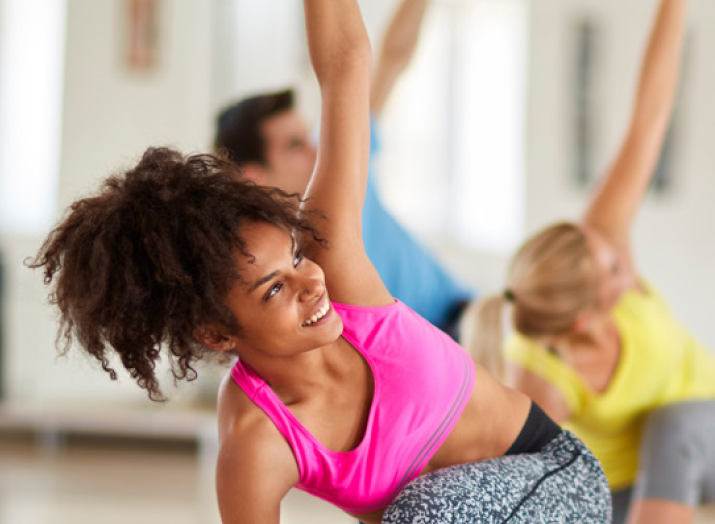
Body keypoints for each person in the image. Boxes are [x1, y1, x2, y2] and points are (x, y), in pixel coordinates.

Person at [30, 0, 610, 522]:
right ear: (215, 330)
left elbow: (346, 64)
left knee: (423, 511)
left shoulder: (341, 274)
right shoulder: (258, 440)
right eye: (273, 290)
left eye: (295, 258)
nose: (310, 282)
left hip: (558, 478)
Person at [463, 1, 715, 523]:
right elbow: (528, 484)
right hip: (629, 493)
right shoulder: (541, 379)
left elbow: (649, 118)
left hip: (707, 429)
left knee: (676, 425)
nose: (624, 258)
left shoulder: (598, 239)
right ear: (584, 317)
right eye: (616, 270)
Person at [214, 0, 472, 337]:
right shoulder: (281, 263)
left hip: (464, 312)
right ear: (254, 177)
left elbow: (392, 60)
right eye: (294, 145)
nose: (314, 148)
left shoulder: (340, 158)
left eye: (307, 137)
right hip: (421, 348)